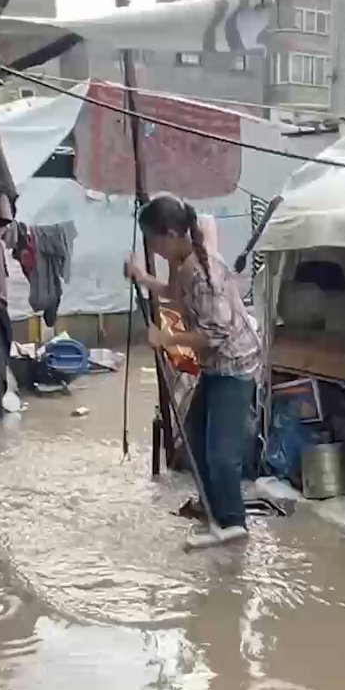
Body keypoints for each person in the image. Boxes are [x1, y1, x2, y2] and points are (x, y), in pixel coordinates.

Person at [125, 193, 262, 550]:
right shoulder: (184, 261)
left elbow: (216, 335)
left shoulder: (204, 274)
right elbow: (172, 291)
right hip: (216, 364)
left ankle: (233, 524)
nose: (153, 249)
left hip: (234, 364)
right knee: (194, 437)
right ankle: (215, 513)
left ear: (170, 234)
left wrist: (167, 338)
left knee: (221, 452)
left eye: (153, 241)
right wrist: (141, 277)